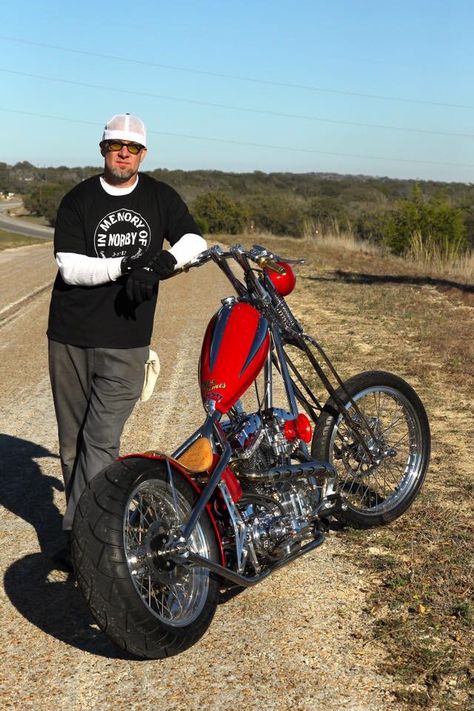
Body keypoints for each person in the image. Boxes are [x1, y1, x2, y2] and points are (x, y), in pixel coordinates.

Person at [47, 113, 206, 569]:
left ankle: (90, 547)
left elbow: (195, 240)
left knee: (100, 440)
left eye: (132, 148)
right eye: (116, 145)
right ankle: (85, 532)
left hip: (126, 340)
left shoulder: (159, 196)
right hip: (70, 336)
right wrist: (124, 267)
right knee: (73, 443)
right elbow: (70, 266)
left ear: (143, 154)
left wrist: (159, 265)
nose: (123, 153)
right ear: (102, 149)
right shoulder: (79, 198)